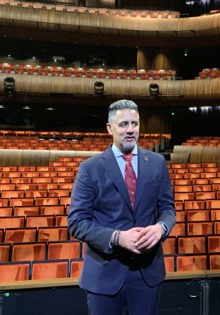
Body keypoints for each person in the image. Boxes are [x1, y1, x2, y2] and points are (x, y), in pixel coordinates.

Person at [68, 99, 176, 315]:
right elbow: (76, 222)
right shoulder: (90, 168)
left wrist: (161, 228)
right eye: (124, 124)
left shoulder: (156, 162)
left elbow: (167, 209)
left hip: (147, 275)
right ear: (110, 128)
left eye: (134, 124)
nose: (130, 130)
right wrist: (117, 237)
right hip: (105, 275)